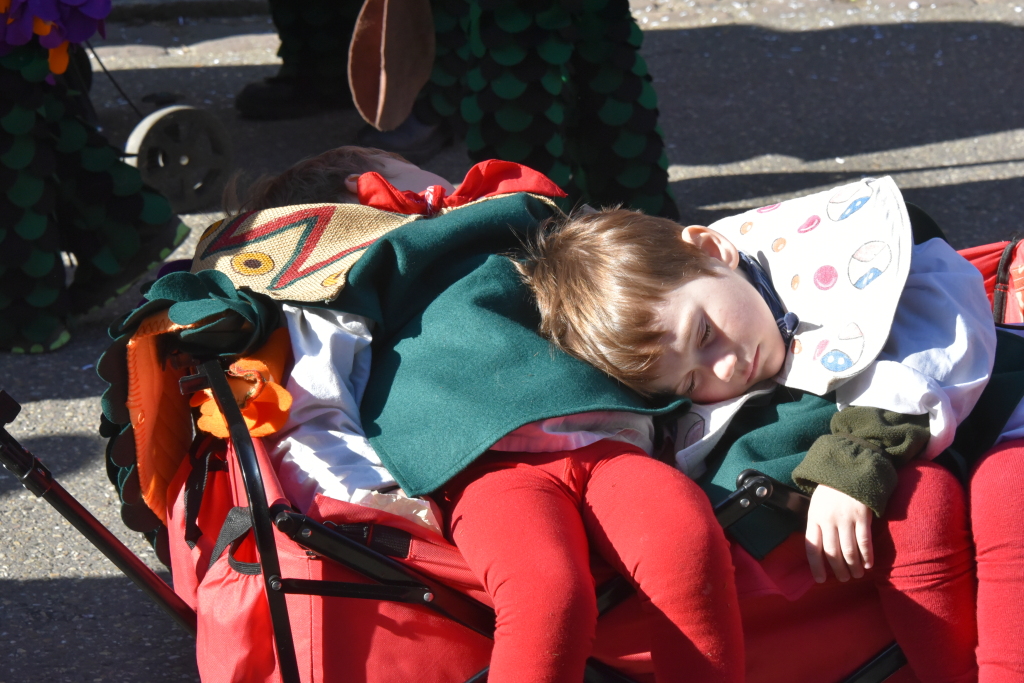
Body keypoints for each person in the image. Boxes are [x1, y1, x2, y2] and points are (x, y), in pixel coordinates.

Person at [216, 146, 746, 682]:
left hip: (603, 438)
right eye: (410, 165)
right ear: (365, 186)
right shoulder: (351, 277)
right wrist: (377, 502)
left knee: (683, 534)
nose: (447, 178)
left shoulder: (513, 219)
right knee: (546, 591)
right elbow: (319, 405)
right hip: (479, 470)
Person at [514, 184, 1024, 683]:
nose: (727, 367)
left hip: (1002, 408)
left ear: (715, 251)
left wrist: (854, 458)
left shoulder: (825, 255)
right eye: (690, 381)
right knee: (918, 504)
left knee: (1009, 488)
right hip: (922, 469)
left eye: (705, 333)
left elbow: (938, 335)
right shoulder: (724, 362)